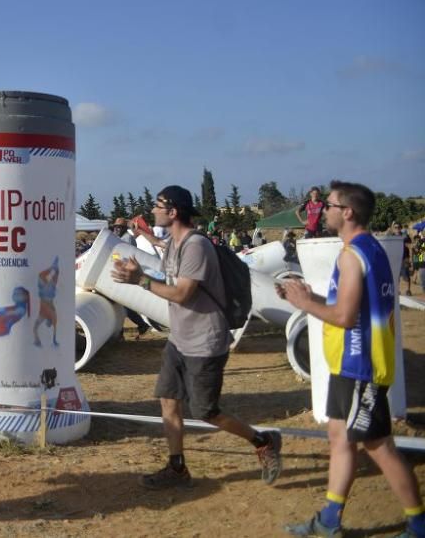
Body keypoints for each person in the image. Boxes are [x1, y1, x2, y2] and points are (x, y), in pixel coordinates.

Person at [111, 185, 283, 490]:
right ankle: (177, 468)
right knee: (168, 401)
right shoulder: (175, 243)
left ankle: (263, 441)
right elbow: (168, 271)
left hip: (205, 342)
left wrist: (140, 280)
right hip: (180, 339)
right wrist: (143, 265)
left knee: (205, 411)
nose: (153, 210)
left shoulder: (196, 247)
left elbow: (182, 293)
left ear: (173, 211)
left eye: (158, 205)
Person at [278, 182, 424, 538]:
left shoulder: (351, 254)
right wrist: (311, 295)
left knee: (378, 445)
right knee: (339, 437)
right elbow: (355, 307)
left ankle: (419, 523)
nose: (322, 210)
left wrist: (304, 304)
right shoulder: (367, 248)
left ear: (347, 212)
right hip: (351, 364)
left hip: (362, 366)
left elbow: (344, 316)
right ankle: (330, 519)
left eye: (329, 205)